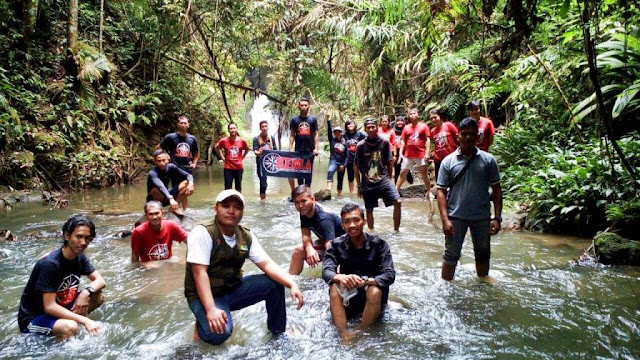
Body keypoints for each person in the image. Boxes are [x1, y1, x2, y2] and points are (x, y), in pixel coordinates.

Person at [185, 189, 304, 345]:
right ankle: (201, 323)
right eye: (226, 206)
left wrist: (291, 284)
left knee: (274, 285)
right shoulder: (202, 232)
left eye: (237, 207)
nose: (231, 211)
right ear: (216, 209)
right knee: (219, 334)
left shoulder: (245, 236)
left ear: (242, 212)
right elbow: (199, 273)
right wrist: (211, 309)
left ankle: (278, 333)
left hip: (232, 288)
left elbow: (267, 264)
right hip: (204, 295)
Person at [17, 215, 105, 338]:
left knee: (97, 295)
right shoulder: (50, 264)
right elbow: (49, 307)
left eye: (88, 238)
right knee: (70, 327)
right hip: (34, 317)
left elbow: (100, 280)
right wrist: (84, 320)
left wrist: (86, 292)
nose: (84, 242)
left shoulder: (79, 256)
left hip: (61, 305)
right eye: (79, 237)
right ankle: (63, 332)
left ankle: (68, 322)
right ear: (67, 236)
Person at [436, 118, 503, 281]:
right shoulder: (448, 161)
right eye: (464, 134)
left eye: (472, 134)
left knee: (483, 255)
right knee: (451, 255)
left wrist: (497, 218)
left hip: (481, 217)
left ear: (477, 137)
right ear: (458, 136)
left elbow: (497, 190)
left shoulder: (488, 160)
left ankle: (483, 287)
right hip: (456, 217)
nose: (468, 138)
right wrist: (445, 220)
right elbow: (441, 192)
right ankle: (446, 289)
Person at [323, 203, 395, 339]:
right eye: (347, 221)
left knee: (374, 290)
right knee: (334, 286)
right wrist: (341, 277)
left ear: (364, 221)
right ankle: (344, 334)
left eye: (356, 220)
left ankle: (361, 332)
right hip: (350, 296)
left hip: (372, 296)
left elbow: (389, 275)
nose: (352, 225)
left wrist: (366, 281)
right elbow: (327, 271)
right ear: (343, 225)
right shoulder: (336, 245)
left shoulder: (380, 245)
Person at [354, 118, 401, 231]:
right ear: (365, 129)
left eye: (373, 127)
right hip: (367, 181)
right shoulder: (360, 146)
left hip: (383, 179)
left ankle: (396, 230)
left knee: (397, 202)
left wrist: (389, 178)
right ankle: (372, 232)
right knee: (369, 210)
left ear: (377, 128)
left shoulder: (384, 142)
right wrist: (359, 185)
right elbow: (356, 166)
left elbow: (389, 162)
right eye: (368, 127)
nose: (370, 129)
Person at [288, 185, 345, 275]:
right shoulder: (304, 211)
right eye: (296, 203)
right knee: (298, 251)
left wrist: (329, 272)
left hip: (343, 247)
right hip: (328, 242)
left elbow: (330, 247)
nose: (300, 205)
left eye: (303, 201)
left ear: (313, 199)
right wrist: (309, 248)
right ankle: (290, 283)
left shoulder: (324, 218)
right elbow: (305, 234)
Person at [158, 115, 200, 210]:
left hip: (187, 168)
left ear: (188, 125)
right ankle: (177, 207)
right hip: (175, 167)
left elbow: (196, 152)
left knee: (188, 189)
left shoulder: (192, 139)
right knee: (178, 189)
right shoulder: (171, 137)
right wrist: (166, 158)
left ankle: (184, 208)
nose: (183, 125)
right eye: (181, 123)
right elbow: (159, 148)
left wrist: (194, 163)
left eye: (185, 123)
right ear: (178, 124)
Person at [147, 149, 195, 216]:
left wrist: (191, 183)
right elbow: (160, 186)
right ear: (155, 162)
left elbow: (188, 175)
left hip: (167, 196)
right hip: (155, 201)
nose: (162, 163)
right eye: (159, 161)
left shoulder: (171, 167)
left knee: (186, 183)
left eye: (163, 160)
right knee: (156, 190)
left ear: (168, 159)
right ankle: (159, 209)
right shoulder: (152, 173)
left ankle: (174, 208)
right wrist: (171, 198)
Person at [396, 108, 431, 196]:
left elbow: (427, 140)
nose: (412, 115)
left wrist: (427, 153)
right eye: (410, 114)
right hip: (408, 154)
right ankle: (396, 191)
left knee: (424, 173)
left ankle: (429, 191)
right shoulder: (406, 127)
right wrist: (400, 153)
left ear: (418, 115)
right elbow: (403, 140)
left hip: (421, 154)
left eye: (414, 113)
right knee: (403, 173)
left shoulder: (423, 126)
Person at [288, 98, 319, 189]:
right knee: (299, 172)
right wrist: (290, 148)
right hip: (298, 150)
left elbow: (316, 134)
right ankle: (301, 190)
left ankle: (307, 190)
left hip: (310, 150)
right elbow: (292, 135)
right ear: (298, 106)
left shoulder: (313, 120)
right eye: (302, 105)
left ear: (308, 106)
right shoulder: (295, 120)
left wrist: (316, 148)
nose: (304, 107)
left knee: (308, 172)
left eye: (305, 105)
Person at [215, 122, 250, 192]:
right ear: (228, 130)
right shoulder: (224, 140)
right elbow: (216, 147)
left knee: (238, 187)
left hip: (239, 168)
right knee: (227, 188)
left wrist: (242, 157)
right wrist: (222, 158)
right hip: (228, 168)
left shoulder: (242, 140)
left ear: (237, 129)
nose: (233, 130)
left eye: (234, 128)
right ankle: (227, 202)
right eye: (231, 128)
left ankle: (238, 202)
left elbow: (247, 149)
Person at [429, 108, 459, 183]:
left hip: (451, 157)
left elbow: (458, 138)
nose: (433, 120)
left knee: (454, 179)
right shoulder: (432, 131)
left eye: (435, 117)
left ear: (440, 116)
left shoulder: (449, 125)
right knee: (440, 181)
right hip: (438, 159)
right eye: (431, 118)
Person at [253, 120, 278, 200]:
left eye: (265, 126)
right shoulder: (256, 139)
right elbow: (255, 151)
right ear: (260, 128)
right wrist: (259, 153)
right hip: (260, 163)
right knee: (263, 183)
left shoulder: (272, 138)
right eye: (262, 126)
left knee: (265, 183)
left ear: (268, 127)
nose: (264, 128)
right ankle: (263, 200)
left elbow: (276, 151)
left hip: (270, 163)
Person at [344, 120, 367, 194]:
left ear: (355, 125)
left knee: (363, 174)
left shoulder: (359, 134)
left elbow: (367, 139)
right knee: (350, 176)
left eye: (352, 124)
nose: (350, 125)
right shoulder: (345, 135)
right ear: (346, 126)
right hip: (349, 158)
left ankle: (362, 189)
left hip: (359, 158)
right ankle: (351, 193)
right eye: (348, 124)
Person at [327, 126, 348, 195]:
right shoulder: (332, 140)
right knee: (330, 171)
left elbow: (347, 155)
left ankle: (339, 194)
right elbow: (329, 132)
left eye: (338, 132)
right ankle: (328, 190)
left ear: (341, 133)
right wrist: (328, 120)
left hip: (342, 162)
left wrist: (344, 165)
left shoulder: (345, 142)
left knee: (340, 178)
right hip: (334, 160)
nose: (337, 133)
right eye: (335, 132)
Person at [392, 115, 413, 185]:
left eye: (401, 121)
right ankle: (396, 187)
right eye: (398, 121)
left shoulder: (406, 129)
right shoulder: (393, 131)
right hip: (396, 152)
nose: (400, 123)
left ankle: (409, 177)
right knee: (397, 169)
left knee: (406, 165)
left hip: (405, 151)